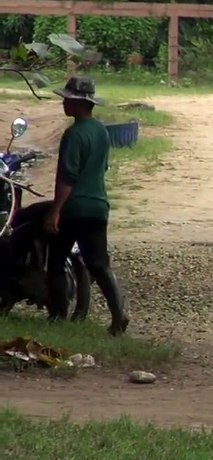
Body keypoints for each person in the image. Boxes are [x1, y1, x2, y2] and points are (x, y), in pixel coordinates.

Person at [45, 75, 129, 335]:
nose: (64, 103)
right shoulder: (101, 131)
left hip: (75, 207)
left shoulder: (73, 134)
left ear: (79, 103)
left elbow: (68, 177)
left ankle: (58, 315)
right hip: (98, 206)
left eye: (68, 99)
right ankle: (118, 314)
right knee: (99, 263)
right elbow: (101, 167)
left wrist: (55, 211)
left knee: (56, 261)